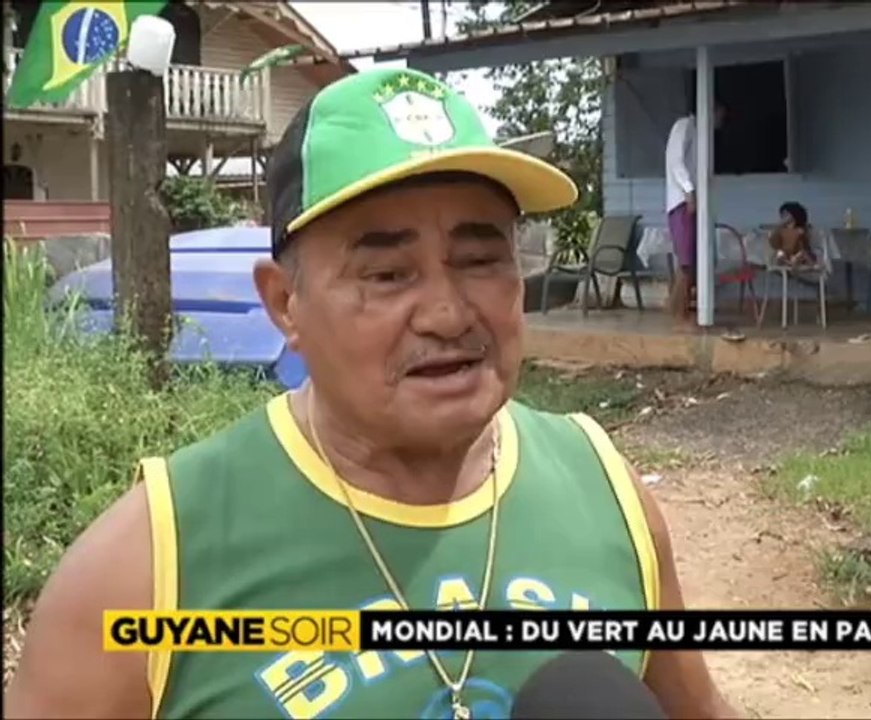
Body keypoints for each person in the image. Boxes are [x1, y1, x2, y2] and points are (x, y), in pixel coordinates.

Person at [7, 68, 736, 720]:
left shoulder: (606, 491)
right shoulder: (147, 564)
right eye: (387, 275)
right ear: (285, 303)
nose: (447, 313)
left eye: (480, 258)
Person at [665, 100, 726, 325]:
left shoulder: (702, 136)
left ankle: (681, 312)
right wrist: (689, 191)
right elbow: (676, 161)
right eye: (720, 115)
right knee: (686, 262)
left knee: (695, 260)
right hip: (682, 202)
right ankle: (678, 315)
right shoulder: (685, 126)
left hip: (695, 203)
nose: (721, 121)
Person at [768, 201, 816, 266]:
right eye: (783, 214)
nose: (783, 216)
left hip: (799, 254)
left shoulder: (801, 230)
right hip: (786, 254)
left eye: (786, 214)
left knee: (802, 254)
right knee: (780, 253)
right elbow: (774, 244)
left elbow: (803, 245)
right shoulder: (781, 230)